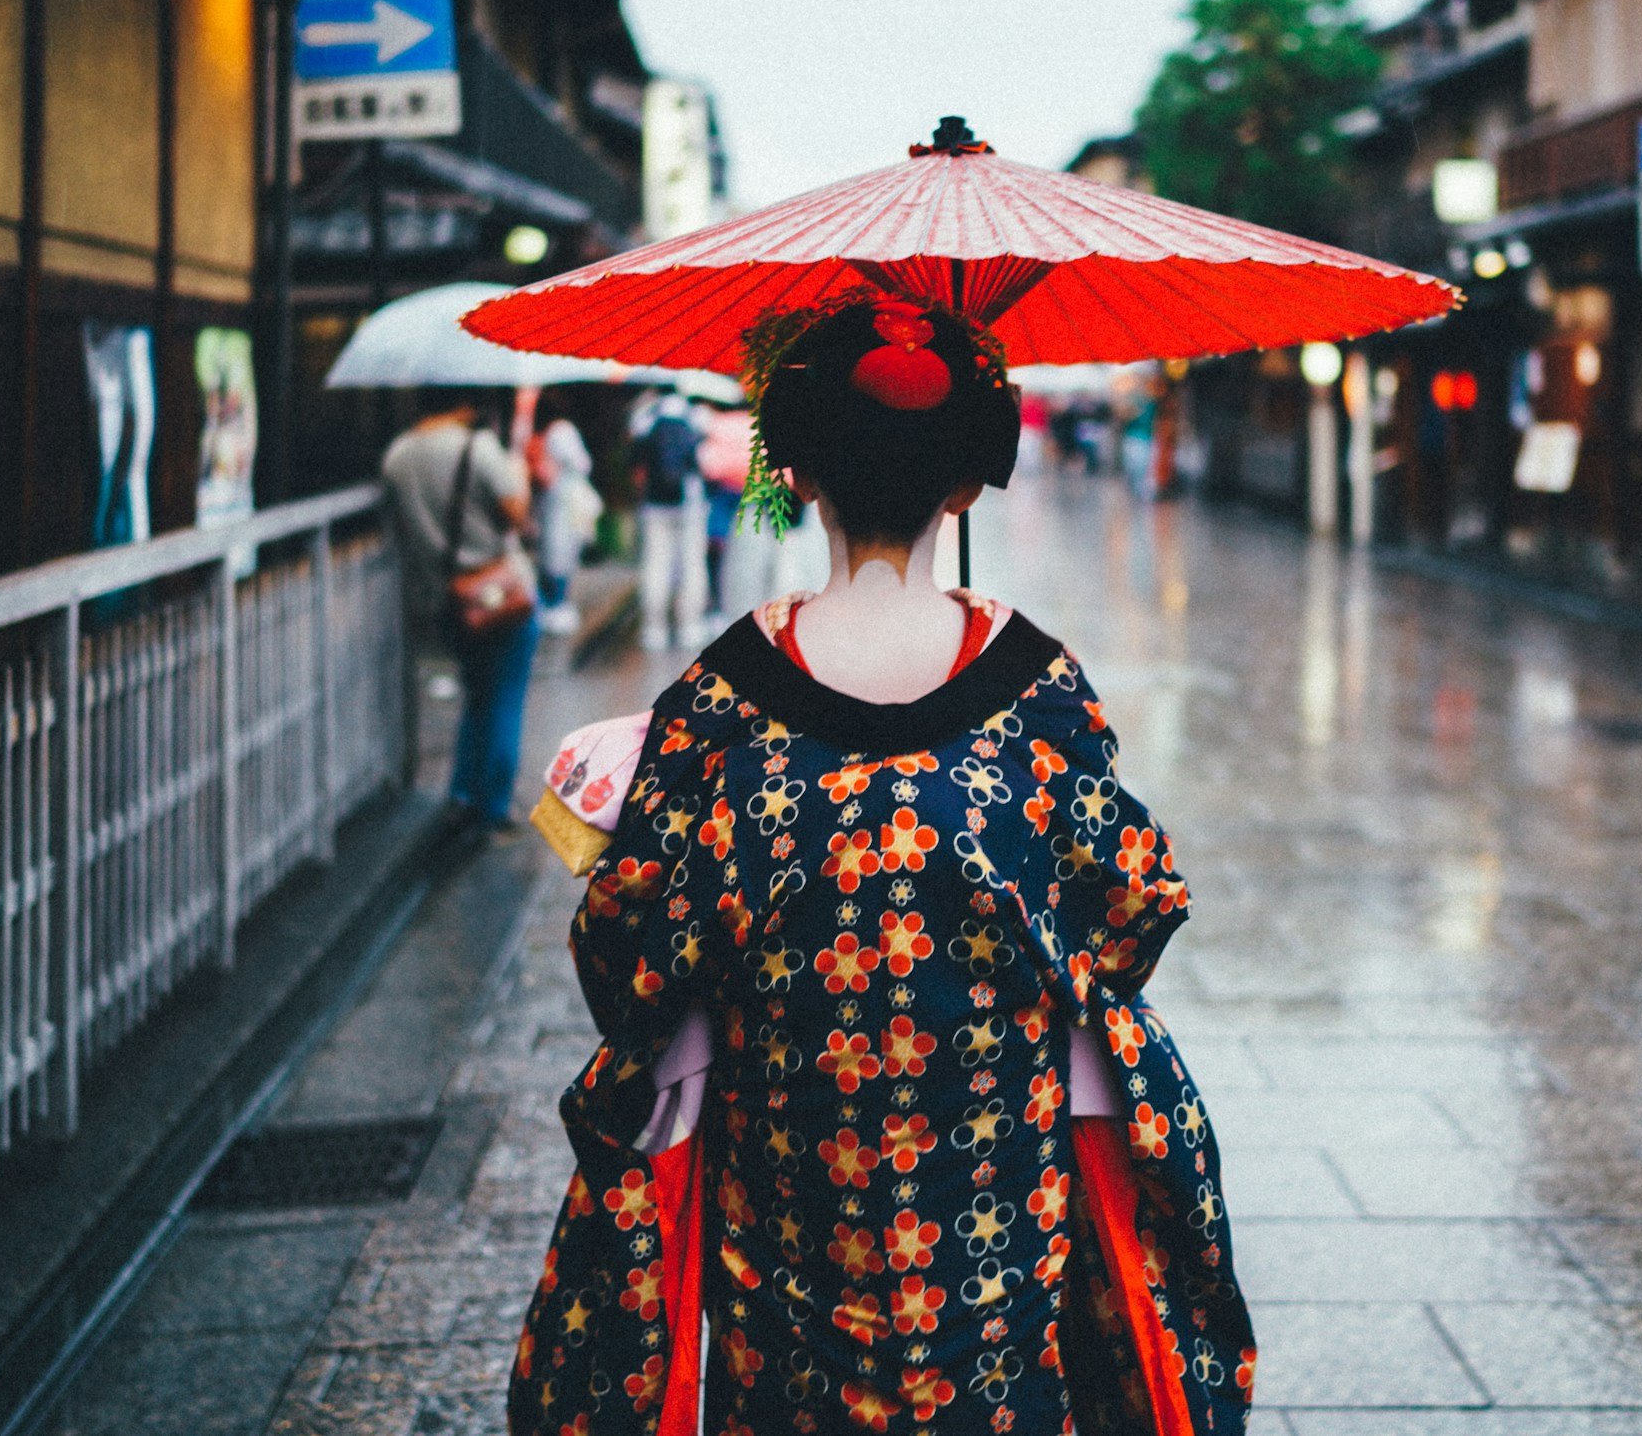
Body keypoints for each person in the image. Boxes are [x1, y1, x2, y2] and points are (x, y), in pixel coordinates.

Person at [508, 288, 1255, 1435]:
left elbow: (625, 951)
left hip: (789, 1186)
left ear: (795, 471)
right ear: (966, 484)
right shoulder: (1035, 687)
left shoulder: (722, 698)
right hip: (996, 1182)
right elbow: (1133, 907)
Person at [379, 391, 539, 831]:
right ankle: (493, 807)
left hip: (446, 597)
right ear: (466, 402)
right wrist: (520, 473)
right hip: (496, 593)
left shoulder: (397, 456)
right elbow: (518, 518)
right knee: (503, 697)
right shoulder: (478, 447)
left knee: (476, 694)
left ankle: (463, 792)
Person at [631, 391, 709, 651]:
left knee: (655, 564)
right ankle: (689, 626)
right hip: (690, 502)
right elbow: (702, 463)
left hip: (654, 504)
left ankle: (655, 629)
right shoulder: (696, 416)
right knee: (692, 565)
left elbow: (637, 465)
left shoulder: (645, 417)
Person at [532, 411, 600, 637]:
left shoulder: (551, 433)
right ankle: (556, 604)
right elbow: (583, 463)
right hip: (562, 505)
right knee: (559, 553)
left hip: (558, 504)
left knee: (556, 552)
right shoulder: (562, 431)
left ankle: (554, 604)